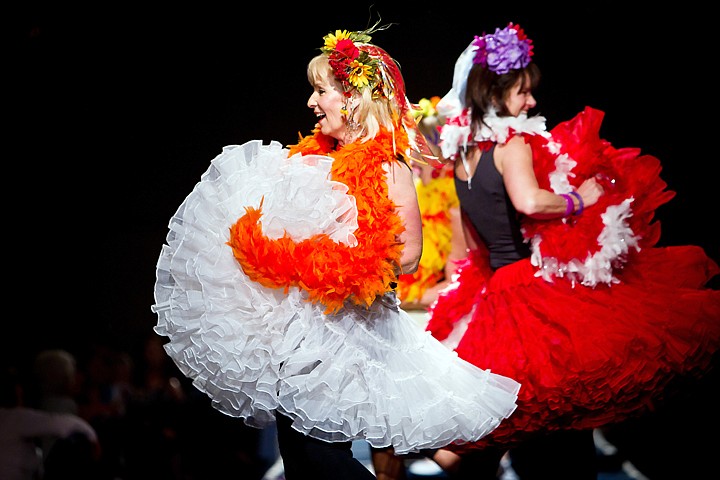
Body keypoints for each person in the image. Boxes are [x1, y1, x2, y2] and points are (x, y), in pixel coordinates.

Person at [151, 21, 521, 480]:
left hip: (348, 333)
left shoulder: (387, 167)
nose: (311, 102)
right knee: (302, 454)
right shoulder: (313, 161)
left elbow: (405, 257)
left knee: (318, 456)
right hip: (304, 332)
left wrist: (337, 265)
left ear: (353, 97)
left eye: (320, 90)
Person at [421, 22, 720, 479]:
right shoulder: (511, 142)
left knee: (514, 422)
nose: (531, 102)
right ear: (497, 92)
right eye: (522, 92)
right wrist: (584, 198)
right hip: (531, 293)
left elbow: (472, 235)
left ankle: (441, 453)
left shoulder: (464, 154)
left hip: (494, 293)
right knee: (562, 413)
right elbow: (529, 201)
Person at [395, 96, 468, 313]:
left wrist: (397, 299)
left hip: (431, 318)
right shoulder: (412, 192)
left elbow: (456, 283)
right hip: (399, 310)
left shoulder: (455, 203)